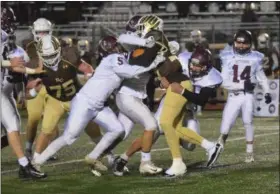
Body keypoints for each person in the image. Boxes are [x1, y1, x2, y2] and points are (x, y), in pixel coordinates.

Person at [31, 36, 165, 175]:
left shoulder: (113, 59)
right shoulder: (113, 59)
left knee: (118, 129)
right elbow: (130, 71)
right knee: (69, 137)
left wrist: (144, 43)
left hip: (99, 105)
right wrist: (154, 62)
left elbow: (123, 40)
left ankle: (94, 157)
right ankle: (37, 163)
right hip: (85, 103)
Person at [1, 4, 46, 179]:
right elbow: (11, 64)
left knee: (14, 125)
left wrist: (33, 71)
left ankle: (24, 165)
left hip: (4, 91)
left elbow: (18, 67)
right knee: (12, 124)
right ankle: (24, 166)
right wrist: (9, 64)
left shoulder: (10, 43)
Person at [218, 30, 272, 163]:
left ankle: (249, 152)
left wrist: (267, 91)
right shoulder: (227, 56)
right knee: (225, 127)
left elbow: (262, 77)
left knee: (248, 121)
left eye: (245, 43)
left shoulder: (256, 57)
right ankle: (219, 144)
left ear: (250, 44)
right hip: (233, 95)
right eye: (239, 43)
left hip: (248, 96)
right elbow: (223, 81)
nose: (241, 46)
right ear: (235, 42)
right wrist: (241, 87)